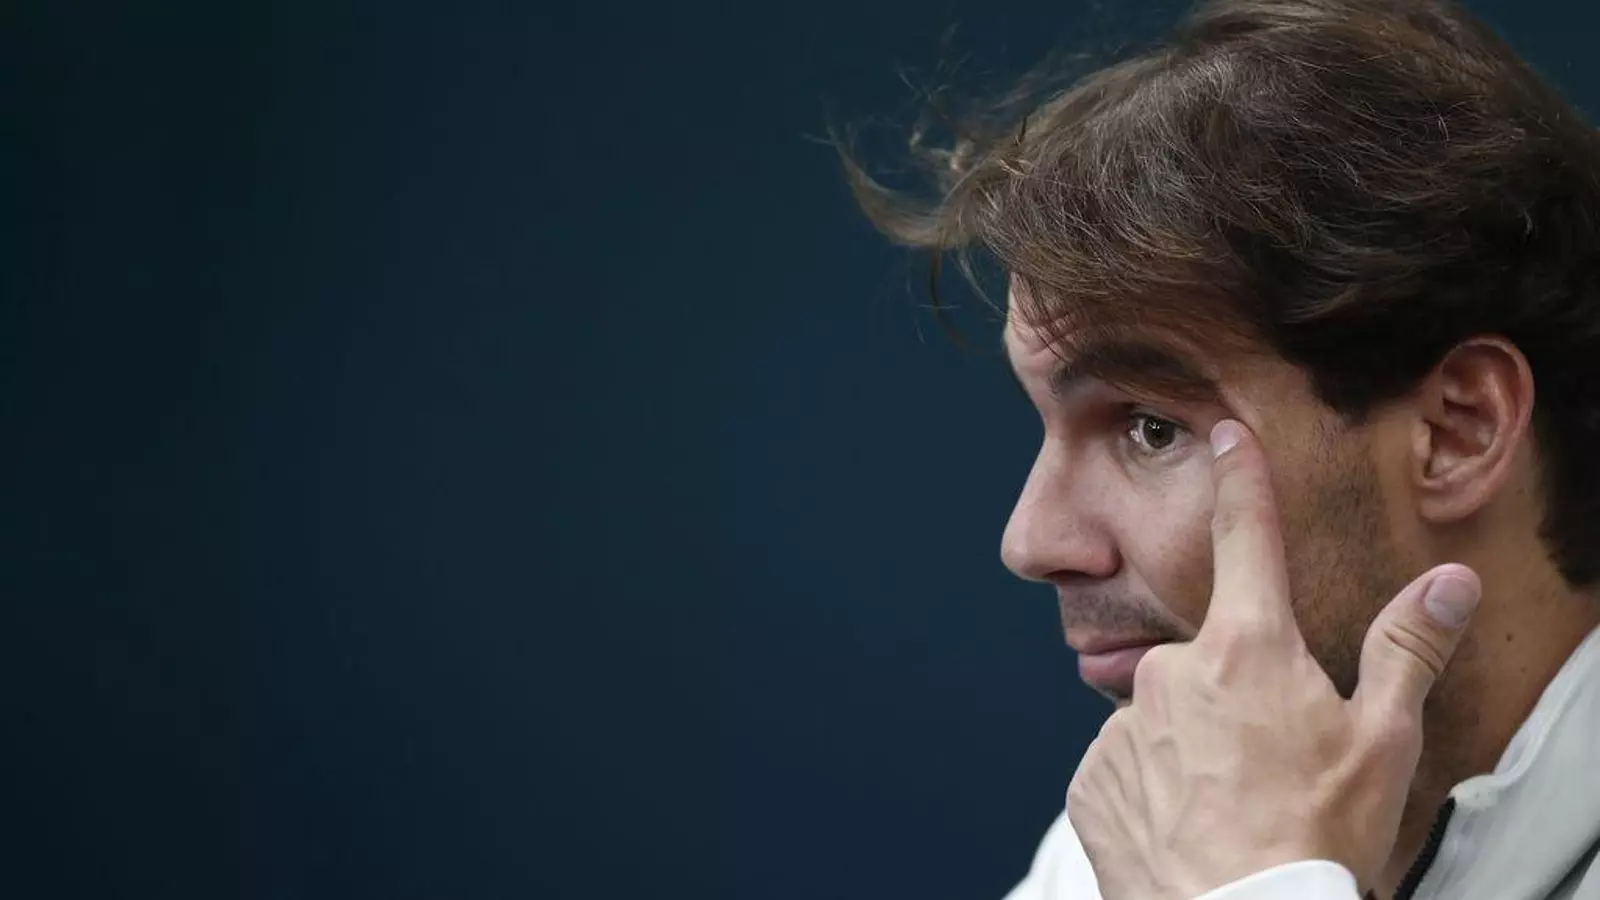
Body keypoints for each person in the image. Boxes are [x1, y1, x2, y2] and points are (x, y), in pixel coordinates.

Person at [836, 1, 1600, 898]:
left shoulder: (1198, 854)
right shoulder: (1146, 823)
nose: (1033, 543)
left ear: (1458, 431)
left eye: (1151, 428)